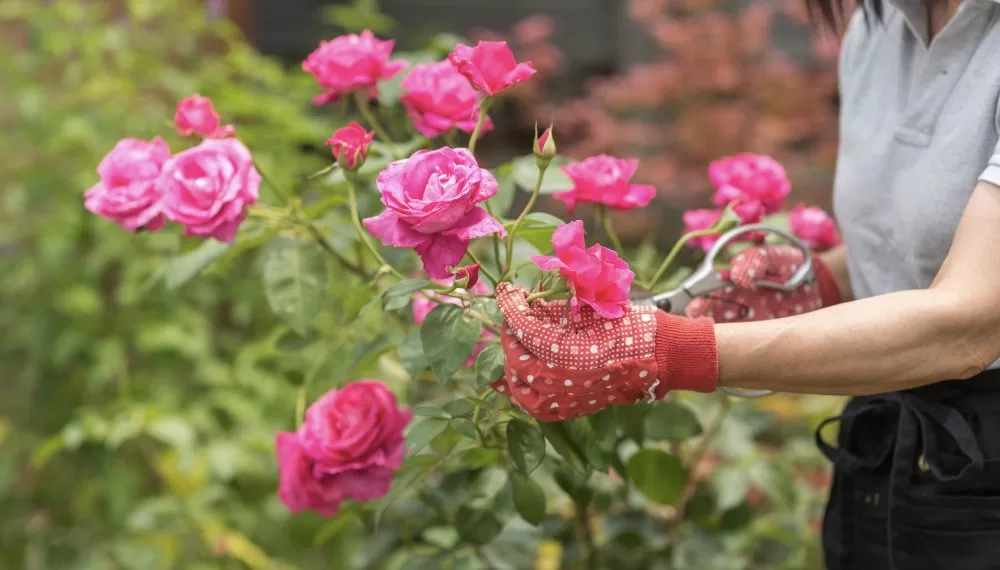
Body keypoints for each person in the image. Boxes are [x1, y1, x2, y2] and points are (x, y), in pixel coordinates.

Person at [490, 1, 1000, 568]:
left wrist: (665, 350)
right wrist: (818, 280)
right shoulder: (879, 26)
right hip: (888, 445)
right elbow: (911, 248)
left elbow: (969, 327)